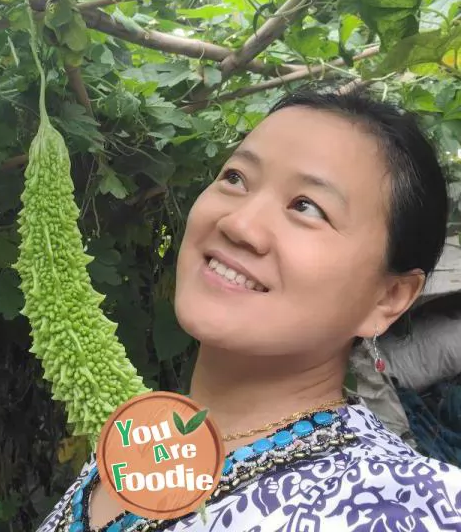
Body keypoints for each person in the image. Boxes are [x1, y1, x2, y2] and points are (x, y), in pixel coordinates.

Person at [37, 85, 461, 532]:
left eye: (307, 207)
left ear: (388, 297)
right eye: (235, 178)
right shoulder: (141, 438)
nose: (238, 224)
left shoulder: (409, 503)